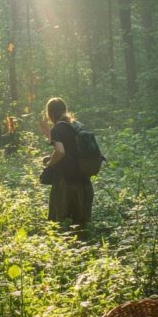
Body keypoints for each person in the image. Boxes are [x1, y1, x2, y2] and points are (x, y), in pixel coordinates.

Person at [42, 97, 94, 226]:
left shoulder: (57, 129)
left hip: (66, 183)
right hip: (84, 182)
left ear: (51, 113)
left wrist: (49, 164)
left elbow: (60, 152)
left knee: (61, 223)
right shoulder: (78, 126)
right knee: (82, 224)